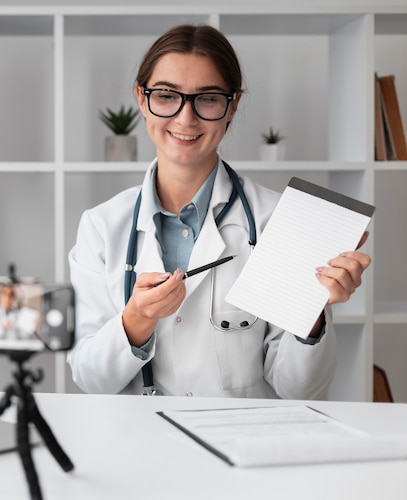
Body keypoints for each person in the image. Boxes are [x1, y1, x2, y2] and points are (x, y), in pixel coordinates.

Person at [67, 24, 371, 399]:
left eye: (208, 98)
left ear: (234, 105)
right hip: (139, 445)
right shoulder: (101, 227)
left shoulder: (276, 219)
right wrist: (137, 320)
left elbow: (300, 389)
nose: (185, 118)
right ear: (142, 100)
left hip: (243, 446)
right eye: (166, 95)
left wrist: (311, 311)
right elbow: (90, 379)